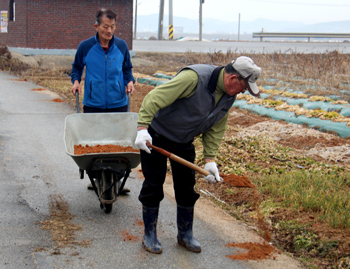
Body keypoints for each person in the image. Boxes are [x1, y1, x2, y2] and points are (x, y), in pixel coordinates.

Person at [135, 56, 261, 254]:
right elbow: (155, 97)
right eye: (243, 87)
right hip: (157, 136)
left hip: (184, 140)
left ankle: (185, 234)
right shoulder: (194, 78)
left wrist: (210, 159)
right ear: (233, 78)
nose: (243, 92)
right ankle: (149, 234)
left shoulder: (229, 95)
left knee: (186, 187)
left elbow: (216, 127)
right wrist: (143, 128)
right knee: (153, 184)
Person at [71, 8, 135, 192]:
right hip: (93, 103)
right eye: (105, 26)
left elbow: (127, 69)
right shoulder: (85, 46)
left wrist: (129, 81)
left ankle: (115, 180)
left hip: (118, 103)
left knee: (117, 143)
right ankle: (98, 177)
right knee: (96, 143)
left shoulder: (121, 46)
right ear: (96, 26)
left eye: (112, 27)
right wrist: (76, 81)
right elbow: (76, 68)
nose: (109, 30)